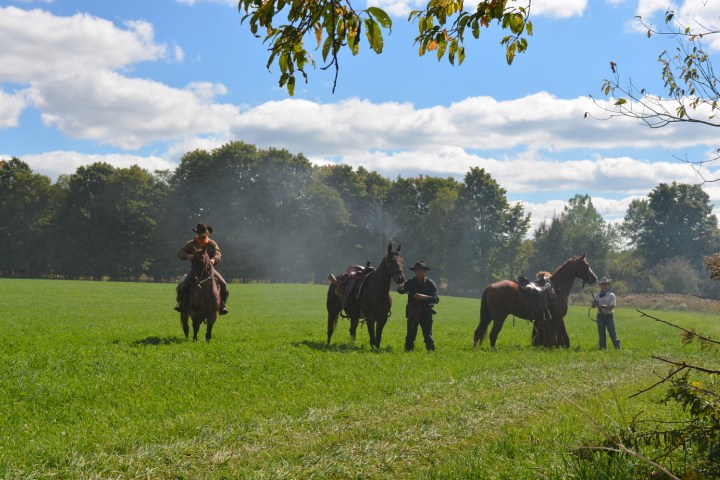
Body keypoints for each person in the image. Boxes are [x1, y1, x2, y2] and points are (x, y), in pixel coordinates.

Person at [175, 223, 229, 315]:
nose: (202, 235)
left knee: (223, 284)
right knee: (183, 285)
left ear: (207, 233)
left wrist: (213, 260)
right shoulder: (191, 244)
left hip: (209, 269)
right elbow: (180, 253)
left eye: (203, 233)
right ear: (197, 233)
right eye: (200, 233)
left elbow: (218, 254)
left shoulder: (212, 243)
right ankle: (181, 304)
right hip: (195, 270)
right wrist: (188, 255)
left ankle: (222, 306)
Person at [397, 261, 439, 351]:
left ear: (424, 271)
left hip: (426, 312)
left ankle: (431, 352)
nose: (417, 273)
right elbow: (402, 291)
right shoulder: (410, 282)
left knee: (427, 335)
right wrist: (400, 288)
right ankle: (408, 352)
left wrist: (424, 297)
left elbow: (436, 299)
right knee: (410, 335)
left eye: (419, 271)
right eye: (416, 271)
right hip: (413, 312)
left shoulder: (430, 283)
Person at [591, 276, 620, 350]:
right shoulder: (597, 295)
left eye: (606, 284)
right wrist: (593, 304)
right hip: (600, 316)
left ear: (608, 285)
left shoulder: (612, 295)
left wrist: (602, 306)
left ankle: (618, 349)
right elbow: (594, 306)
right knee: (601, 334)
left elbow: (612, 306)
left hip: (609, 316)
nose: (604, 286)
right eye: (603, 285)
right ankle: (603, 348)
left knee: (613, 334)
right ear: (601, 286)